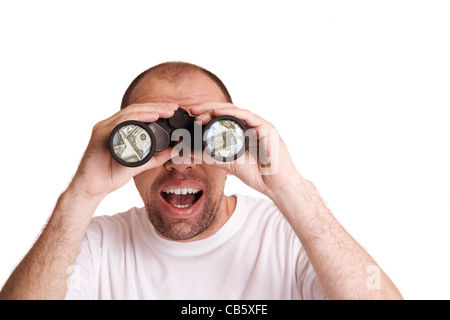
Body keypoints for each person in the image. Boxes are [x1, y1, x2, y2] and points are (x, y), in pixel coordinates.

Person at [0, 62, 402, 300]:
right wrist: (80, 195)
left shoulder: (292, 234)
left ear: (235, 147)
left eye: (203, 137)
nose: (180, 161)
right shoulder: (91, 244)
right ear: (121, 145)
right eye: (153, 137)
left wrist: (288, 188)